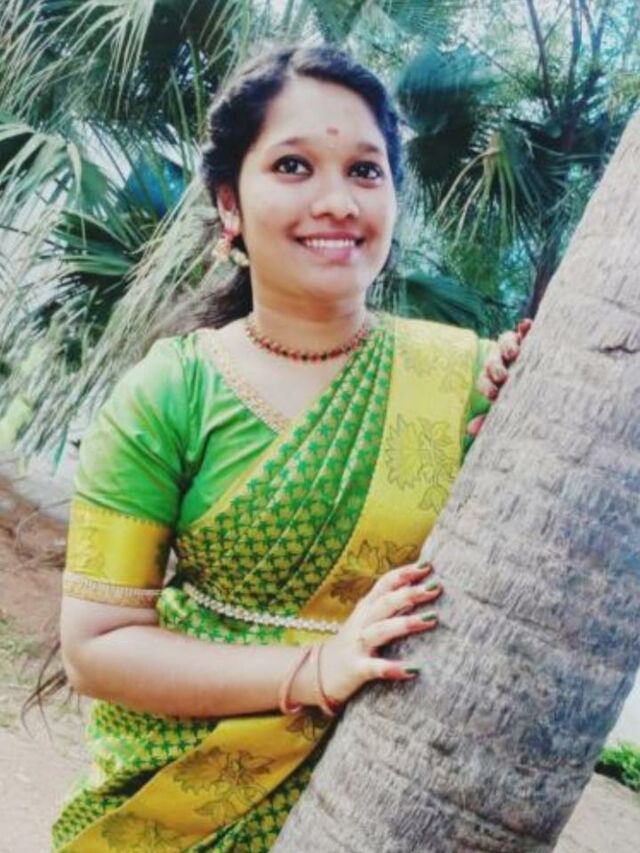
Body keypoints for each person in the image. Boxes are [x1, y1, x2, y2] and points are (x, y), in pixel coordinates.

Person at [52, 44, 529, 852]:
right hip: (187, 801)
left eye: (366, 171)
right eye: (294, 166)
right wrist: (318, 669)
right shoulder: (171, 392)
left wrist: (535, 395)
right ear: (230, 204)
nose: (337, 201)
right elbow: (96, 648)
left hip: (397, 803)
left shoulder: (465, 380)